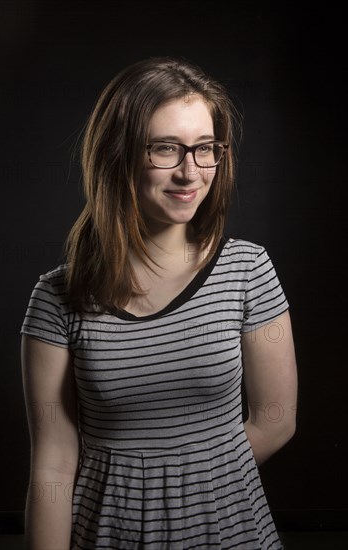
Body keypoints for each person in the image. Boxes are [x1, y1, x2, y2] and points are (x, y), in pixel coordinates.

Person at [20, 56, 298, 550]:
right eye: (166, 149)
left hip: (230, 533)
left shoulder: (247, 270)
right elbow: (53, 464)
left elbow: (276, 421)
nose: (190, 172)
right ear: (118, 154)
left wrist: (190, 491)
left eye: (205, 148)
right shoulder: (56, 298)